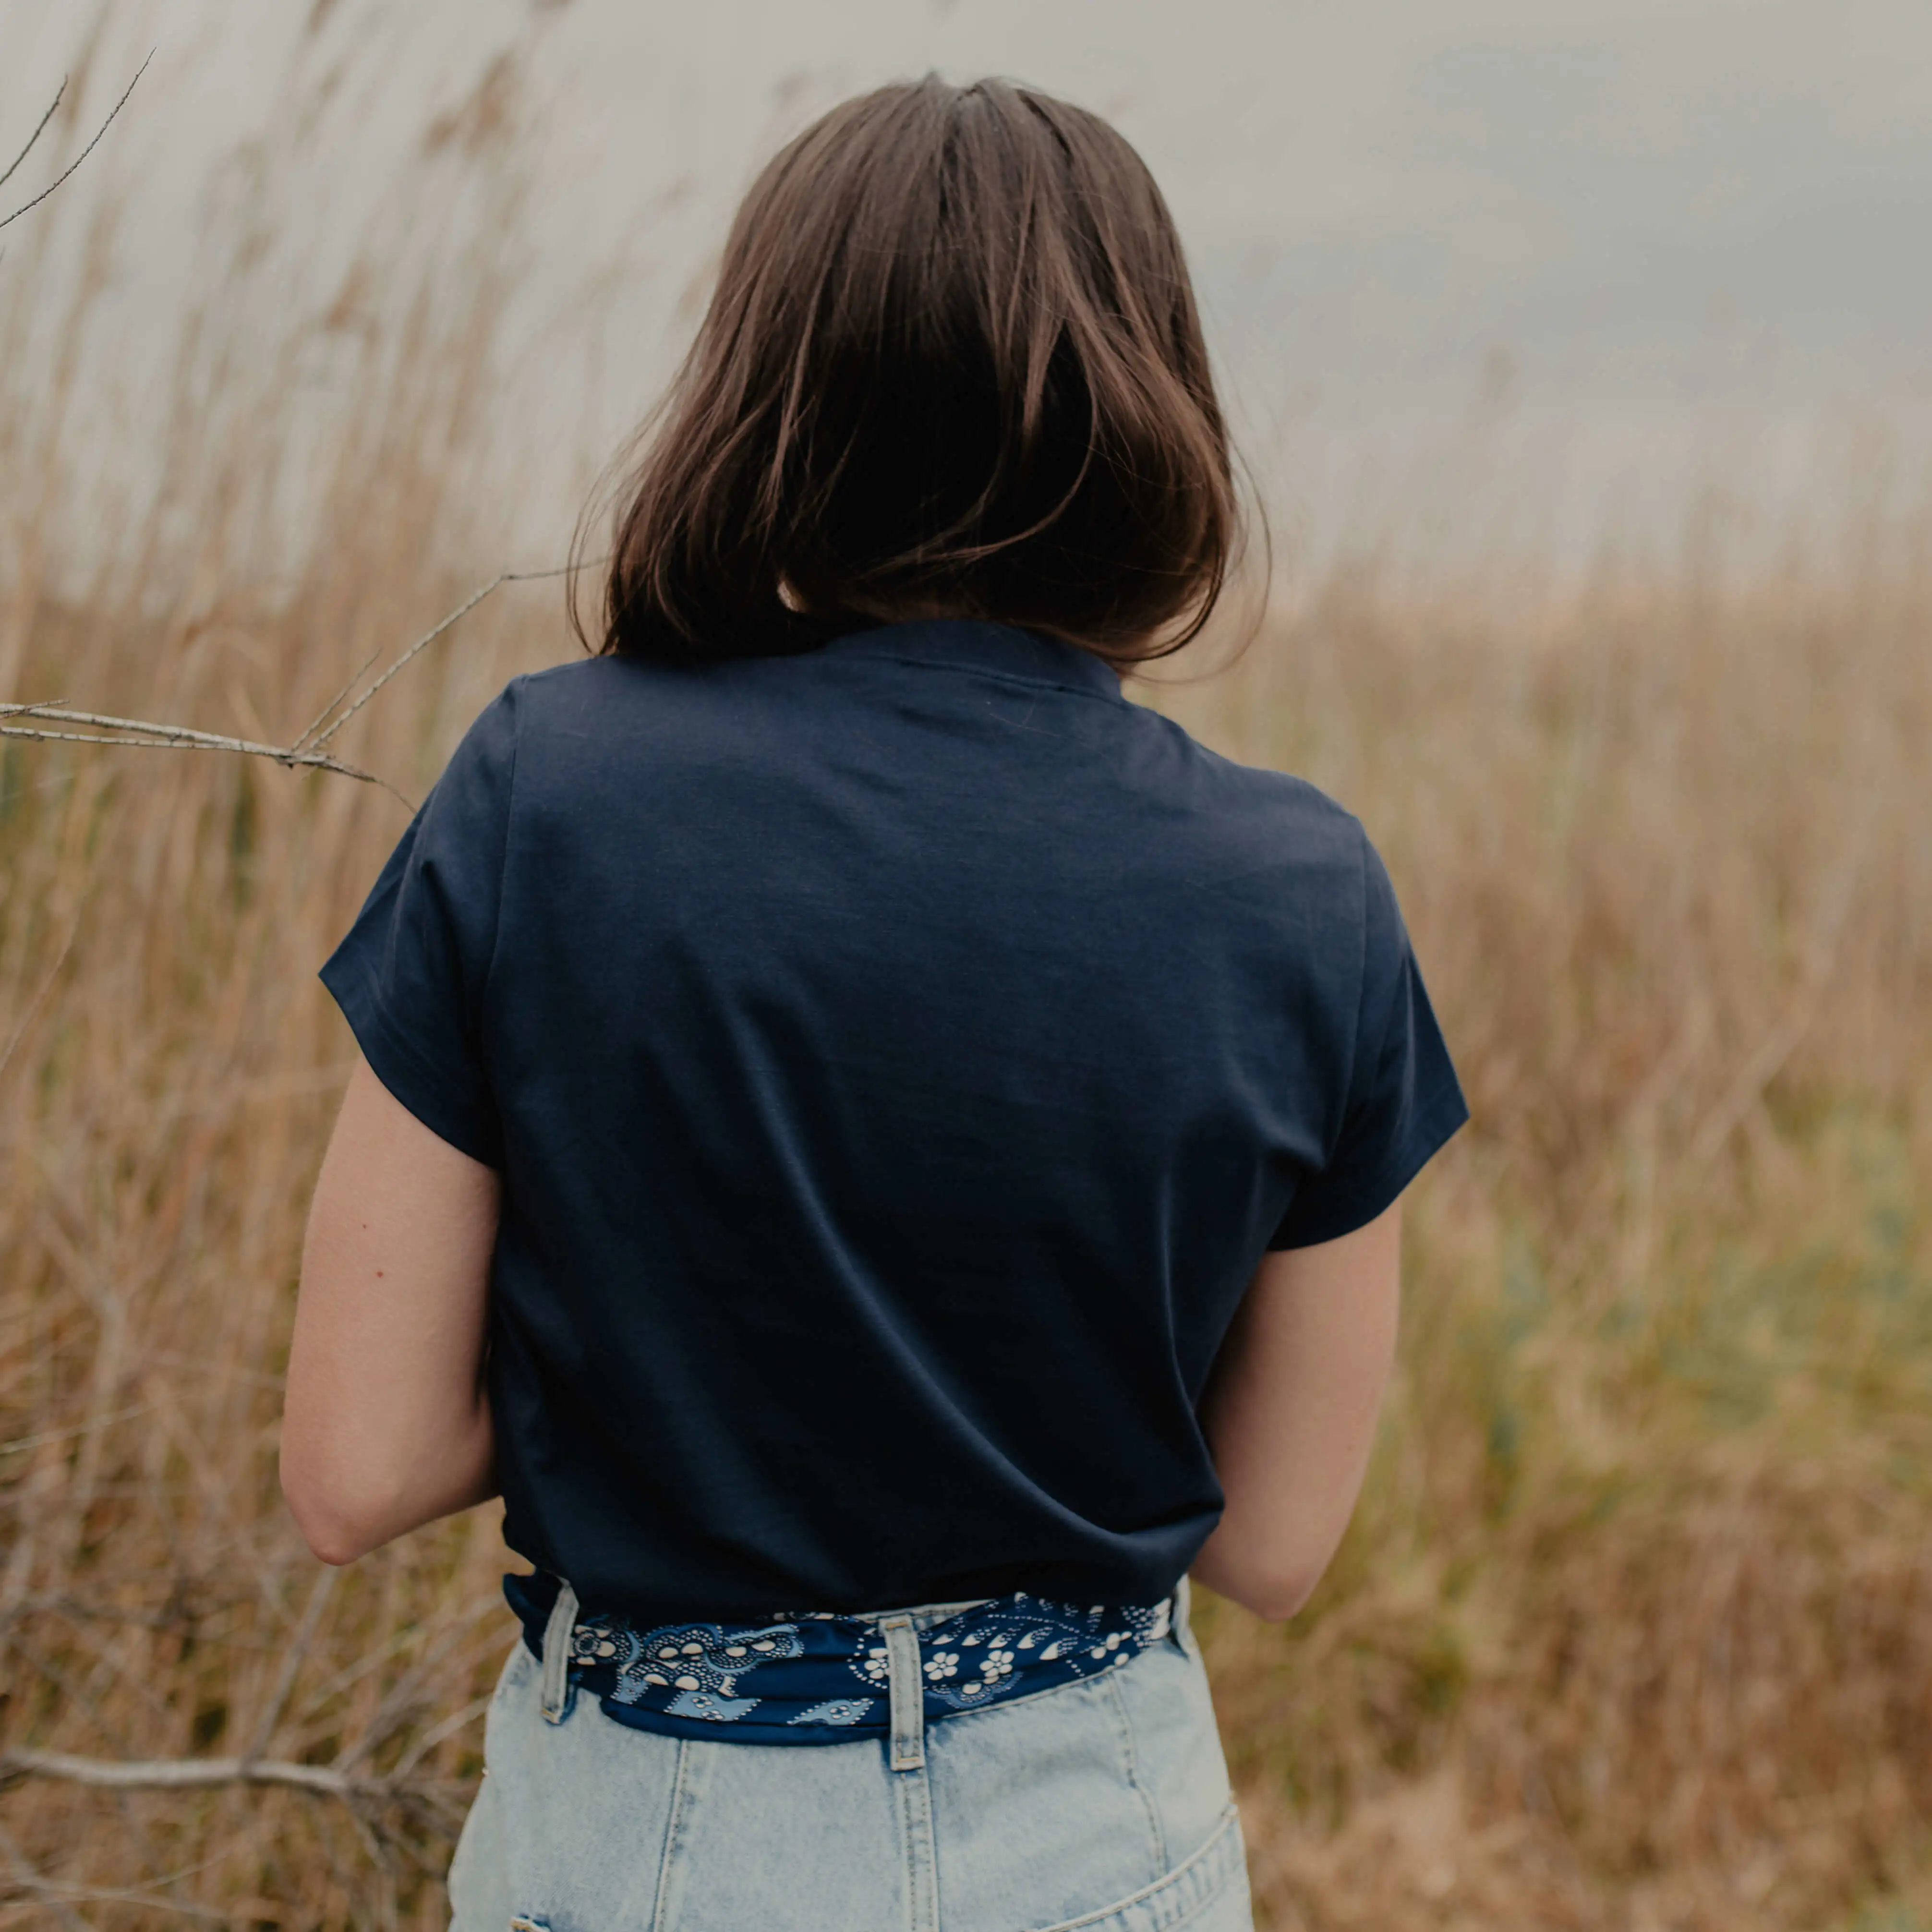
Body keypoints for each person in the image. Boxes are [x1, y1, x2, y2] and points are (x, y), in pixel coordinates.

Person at [280, 74, 1468, 1932]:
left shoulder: (550, 790)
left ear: (771, 394)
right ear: (1147, 405)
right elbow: (1275, 1538)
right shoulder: (1299, 889)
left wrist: (673, 1361)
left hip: (646, 1842)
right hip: (1094, 1837)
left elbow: (355, 1465)